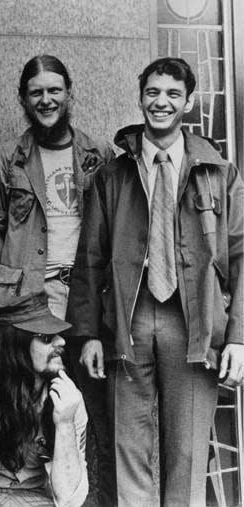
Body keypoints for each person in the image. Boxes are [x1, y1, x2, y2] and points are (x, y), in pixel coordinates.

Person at [68, 57, 244, 506]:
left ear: (188, 101)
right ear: (140, 95)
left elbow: (242, 258)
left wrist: (238, 338)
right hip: (130, 320)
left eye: (172, 94)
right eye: (152, 93)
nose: (160, 103)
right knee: (131, 448)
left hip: (195, 321)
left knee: (187, 451)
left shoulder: (220, 174)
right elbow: (89, 260)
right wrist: (88, 334)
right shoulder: (112, 176)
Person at [0, 55, 115, 505]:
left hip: (85, 302)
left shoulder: (99, 156)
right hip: (26, 308)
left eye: (54, 90)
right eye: (36, 92)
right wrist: (15, 274)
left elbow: (114, 230)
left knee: (89, 412)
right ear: (23, 99)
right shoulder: (4, 158)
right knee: (25, 410)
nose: (46, 99)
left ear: (69, 94)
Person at [0, 296, 88, 507]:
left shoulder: (68, 397)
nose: (61, 342)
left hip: (35, 497)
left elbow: (69, 498)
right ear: (16, 346)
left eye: (58, 335)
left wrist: (65, 424)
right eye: (46, 338)